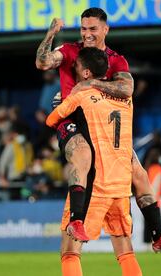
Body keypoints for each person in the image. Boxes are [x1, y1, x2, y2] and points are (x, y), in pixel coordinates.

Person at [36, 7, 161, 252]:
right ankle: (76, 220)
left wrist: (88, 85)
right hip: (71, 119)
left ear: (105, 29)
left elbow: (127, 89)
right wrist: (51, 33)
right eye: (84, 28)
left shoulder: (116, 60)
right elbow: (42, 62)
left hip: (102, 125)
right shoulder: (70, 51)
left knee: (138, 173)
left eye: (93, 29)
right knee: (83, 155)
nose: (87, 34)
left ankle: (158, 236)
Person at [46, 47, 142, 276]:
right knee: (125, 249)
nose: (73, 70)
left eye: (76, 67)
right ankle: (158, 232)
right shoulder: (125, 99)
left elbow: (52, 120)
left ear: (86, 72)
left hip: (93, 182)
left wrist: (58, 106)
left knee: (70, 250)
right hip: (119, 184)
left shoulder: (82, 95)